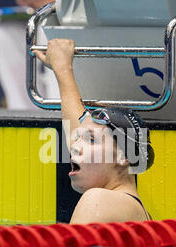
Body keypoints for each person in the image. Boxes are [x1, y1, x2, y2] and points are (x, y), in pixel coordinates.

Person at [33, 39, 155, 224]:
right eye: (78, 139)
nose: (74, 147)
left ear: (123, 156)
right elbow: (79, 129)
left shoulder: (98, 200)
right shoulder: (133, 209)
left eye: (90, 140)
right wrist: (62, 68)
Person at [0, 0, 58, 110]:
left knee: (50, 25)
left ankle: (62, 115)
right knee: (2, 28)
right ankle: (26, 114)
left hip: (71, 10)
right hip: (39, 11)